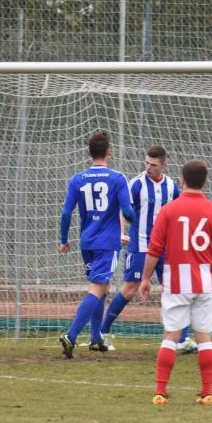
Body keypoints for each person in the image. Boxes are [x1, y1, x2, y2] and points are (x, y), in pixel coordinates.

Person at [138, 160, 212, 406]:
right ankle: (207, 392)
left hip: (177, 282)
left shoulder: (169, 210)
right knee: (204, 336)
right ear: (204, 181)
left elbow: (155, 249)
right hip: (206, 282)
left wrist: (146, 278)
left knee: (171, 335)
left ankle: (160, 392)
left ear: (182, 180)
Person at [100, 146, 195, 353]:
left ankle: (182, 339)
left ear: (163, 164)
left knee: (175, 290)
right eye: (146, 163)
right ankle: (103, 332)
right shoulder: (136, 185)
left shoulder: (171, 186)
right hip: (140, 246)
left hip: (166, 248)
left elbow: (179, 213)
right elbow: (120, 210)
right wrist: (120, 233)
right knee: (130, 288)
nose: (148, 167)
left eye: (153, 164)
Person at [58, 130, 135, 358]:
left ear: (89, 152)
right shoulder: (117, 178)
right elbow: (128, 212)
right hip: (107, 243)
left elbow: (65, 213)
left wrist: (63, 239)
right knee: (98, 287)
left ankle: (95, 338)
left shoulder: (77, 179)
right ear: (108, 152)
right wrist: (136, 220)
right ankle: (71, 336)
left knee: (101, 285)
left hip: (87, 242)